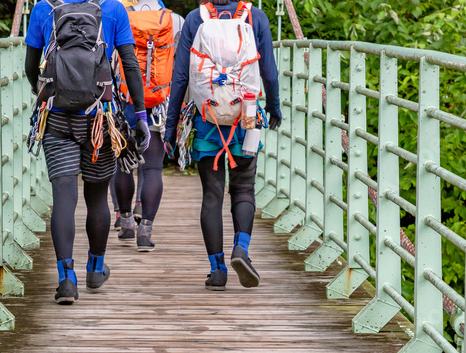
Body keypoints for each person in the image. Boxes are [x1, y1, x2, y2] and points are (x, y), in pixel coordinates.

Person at [25, 0, 151, 304]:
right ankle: (95, 268)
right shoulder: (113, 9)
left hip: (56, 119)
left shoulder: (44, 8)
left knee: (64, 199)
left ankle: (66, 279)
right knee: (96, 197)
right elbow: (131, 64)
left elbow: (30, 67)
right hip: (101, 121)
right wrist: (141, 117)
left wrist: (47, 96)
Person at [163, 0, 280, 290]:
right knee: (243, 188)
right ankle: (241, 249)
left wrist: (170, 126)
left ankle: (217, 270)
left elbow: (181, 77)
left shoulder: (194, 19)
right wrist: (275, 108)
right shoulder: (256, 17)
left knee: (212, 194)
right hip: (247, 116)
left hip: (207, 117)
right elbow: (269, 71)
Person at [112, 0, 183, 250]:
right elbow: (180, 67)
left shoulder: (119, 15)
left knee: (123, 165)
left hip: (125, 101)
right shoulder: (175, 21)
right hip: (159, 102)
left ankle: (127, 222)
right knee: (152, 169)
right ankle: (146, 232)